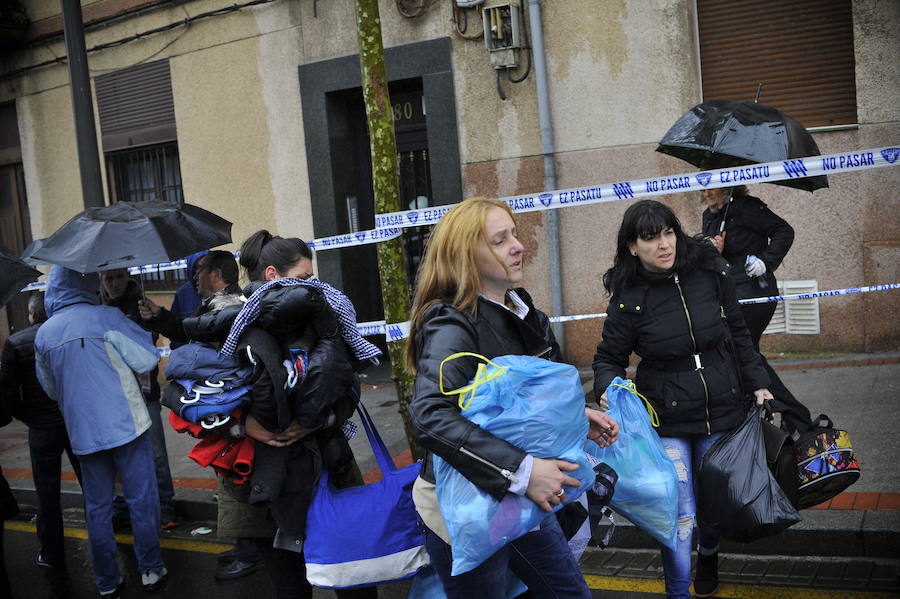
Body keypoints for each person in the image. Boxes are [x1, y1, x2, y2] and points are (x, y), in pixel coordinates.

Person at [405, 197, 619, 599]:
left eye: (514, 235)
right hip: (466, 507)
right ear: (467, 257)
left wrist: (579, 417)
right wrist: (521, 471)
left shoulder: (521, 311)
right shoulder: (452, 322)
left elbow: (530, 402)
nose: (518, 246)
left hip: (522, 499)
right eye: (500, 241)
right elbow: (430, 416)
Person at [173, 229, 378, 599]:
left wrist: (315, 421)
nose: (313, 287)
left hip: (326, 469)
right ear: (271, 276)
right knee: (291, 585)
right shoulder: (225, 326)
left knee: (351, 574)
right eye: (303, 278)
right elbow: (192, 402)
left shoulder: (323, 317)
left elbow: (349, 391)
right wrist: (242, 425)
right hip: (259, 486)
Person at [592, 199, 772, 599]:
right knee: (680, 510)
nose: (664, 244)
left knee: (713, 506)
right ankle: (678, 592)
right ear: (632, 247)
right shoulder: (628, 297)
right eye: (650, 237)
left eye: (668, 232)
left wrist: (757, 381)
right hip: (667, 416)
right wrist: (610, 390)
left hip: (721, 405)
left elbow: (738, 332)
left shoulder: (708, 270)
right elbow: (608, 358)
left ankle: (708, 555)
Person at [35, 266, 167, 597]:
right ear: (88, 283)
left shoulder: (44, 334)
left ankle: (107, 581)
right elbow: (146, 360)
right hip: (127, 426)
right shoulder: (106, 317)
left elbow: (50, 389)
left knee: (97, 508)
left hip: (83, 433)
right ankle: (150, 567)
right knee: (141, 499)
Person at [140, 251, 264, 581]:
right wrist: (159, 317)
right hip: (224, 409)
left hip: (233, 411)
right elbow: (190, 332)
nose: (194, 277)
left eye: (199, 271)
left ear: (215, 275)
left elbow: (210, 348)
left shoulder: (229, 307)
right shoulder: (218, 304)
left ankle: (251, 552)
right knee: (229, 481)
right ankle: (245, 547)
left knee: (238, 480)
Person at [701, 185, 812, 433]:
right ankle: (776, 412)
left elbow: (784, 231)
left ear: (727, 186)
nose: (707, 193)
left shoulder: (746, 208)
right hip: (731, 293)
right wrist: (714, 250)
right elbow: (712, 255)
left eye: (713, 188)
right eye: (704, 188)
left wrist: (766, 261)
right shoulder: (710, 216)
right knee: (745, 353)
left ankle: (792, 414)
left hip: (756, 292)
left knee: (743, 352)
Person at [0, 292, 82, 569]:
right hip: (72, 423)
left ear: (32, 314)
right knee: (91, 486)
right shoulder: (65, 335)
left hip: (41, 428)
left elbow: (8, 393)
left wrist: (28, 417)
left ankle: (51, 552)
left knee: (47, 493)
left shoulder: (16, 341)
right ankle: (104, 540)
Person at [99, 268, 178, 530]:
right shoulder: (97, 310)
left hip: (145, 394)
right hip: (113, 395)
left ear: (128, 277)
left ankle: (166, 504)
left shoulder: (142, 305)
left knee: (155, 454)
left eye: (119, 277)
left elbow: (154, 342)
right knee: (119, 455)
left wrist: (150, 321)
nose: (114, 283)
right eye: (109, 278)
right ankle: (122, 507)